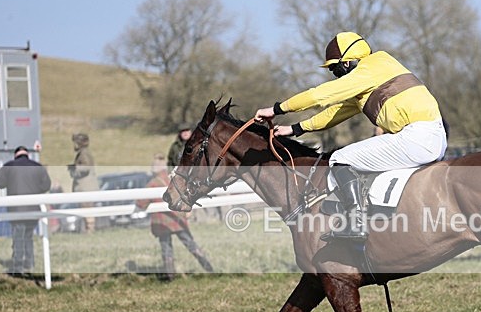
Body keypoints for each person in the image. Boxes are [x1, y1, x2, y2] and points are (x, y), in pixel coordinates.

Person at [254, 31, 447, 241]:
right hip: (431, 136)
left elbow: (320, 96)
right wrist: (295, 129)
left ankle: (355, 223)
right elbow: (334, 113)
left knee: (339, 158)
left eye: (335, 69)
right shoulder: (377, 69)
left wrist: (276, 109)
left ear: (347, 63)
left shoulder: (367, 70)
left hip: (416, 137)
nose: (336, 75)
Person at [136, 154, 213, 280]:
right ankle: (208, 267)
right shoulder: (174, 179)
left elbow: (141, 203)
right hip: (178, 218)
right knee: (190, 244)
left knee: (166, 248)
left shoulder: (152, 184)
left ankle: (170, 276)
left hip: (162, 222)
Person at [0, 147, 52, 275]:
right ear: (27, 154)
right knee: (28, 237)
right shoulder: (38, 166)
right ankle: (29, 263)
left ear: (15, 155)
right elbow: (46, 185)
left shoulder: (9, 166)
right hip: (33, 208)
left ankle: (18, 265)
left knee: (18, 237)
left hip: (16, 209)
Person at [67, 133, 99, 233]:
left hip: (86, 187)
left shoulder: (84, 154)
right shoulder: (83, 153)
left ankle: (90, 230)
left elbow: (86, 167)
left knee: (87, 210)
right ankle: (88, 229)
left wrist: (74, 168)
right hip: (86, 187)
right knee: (86, 210)